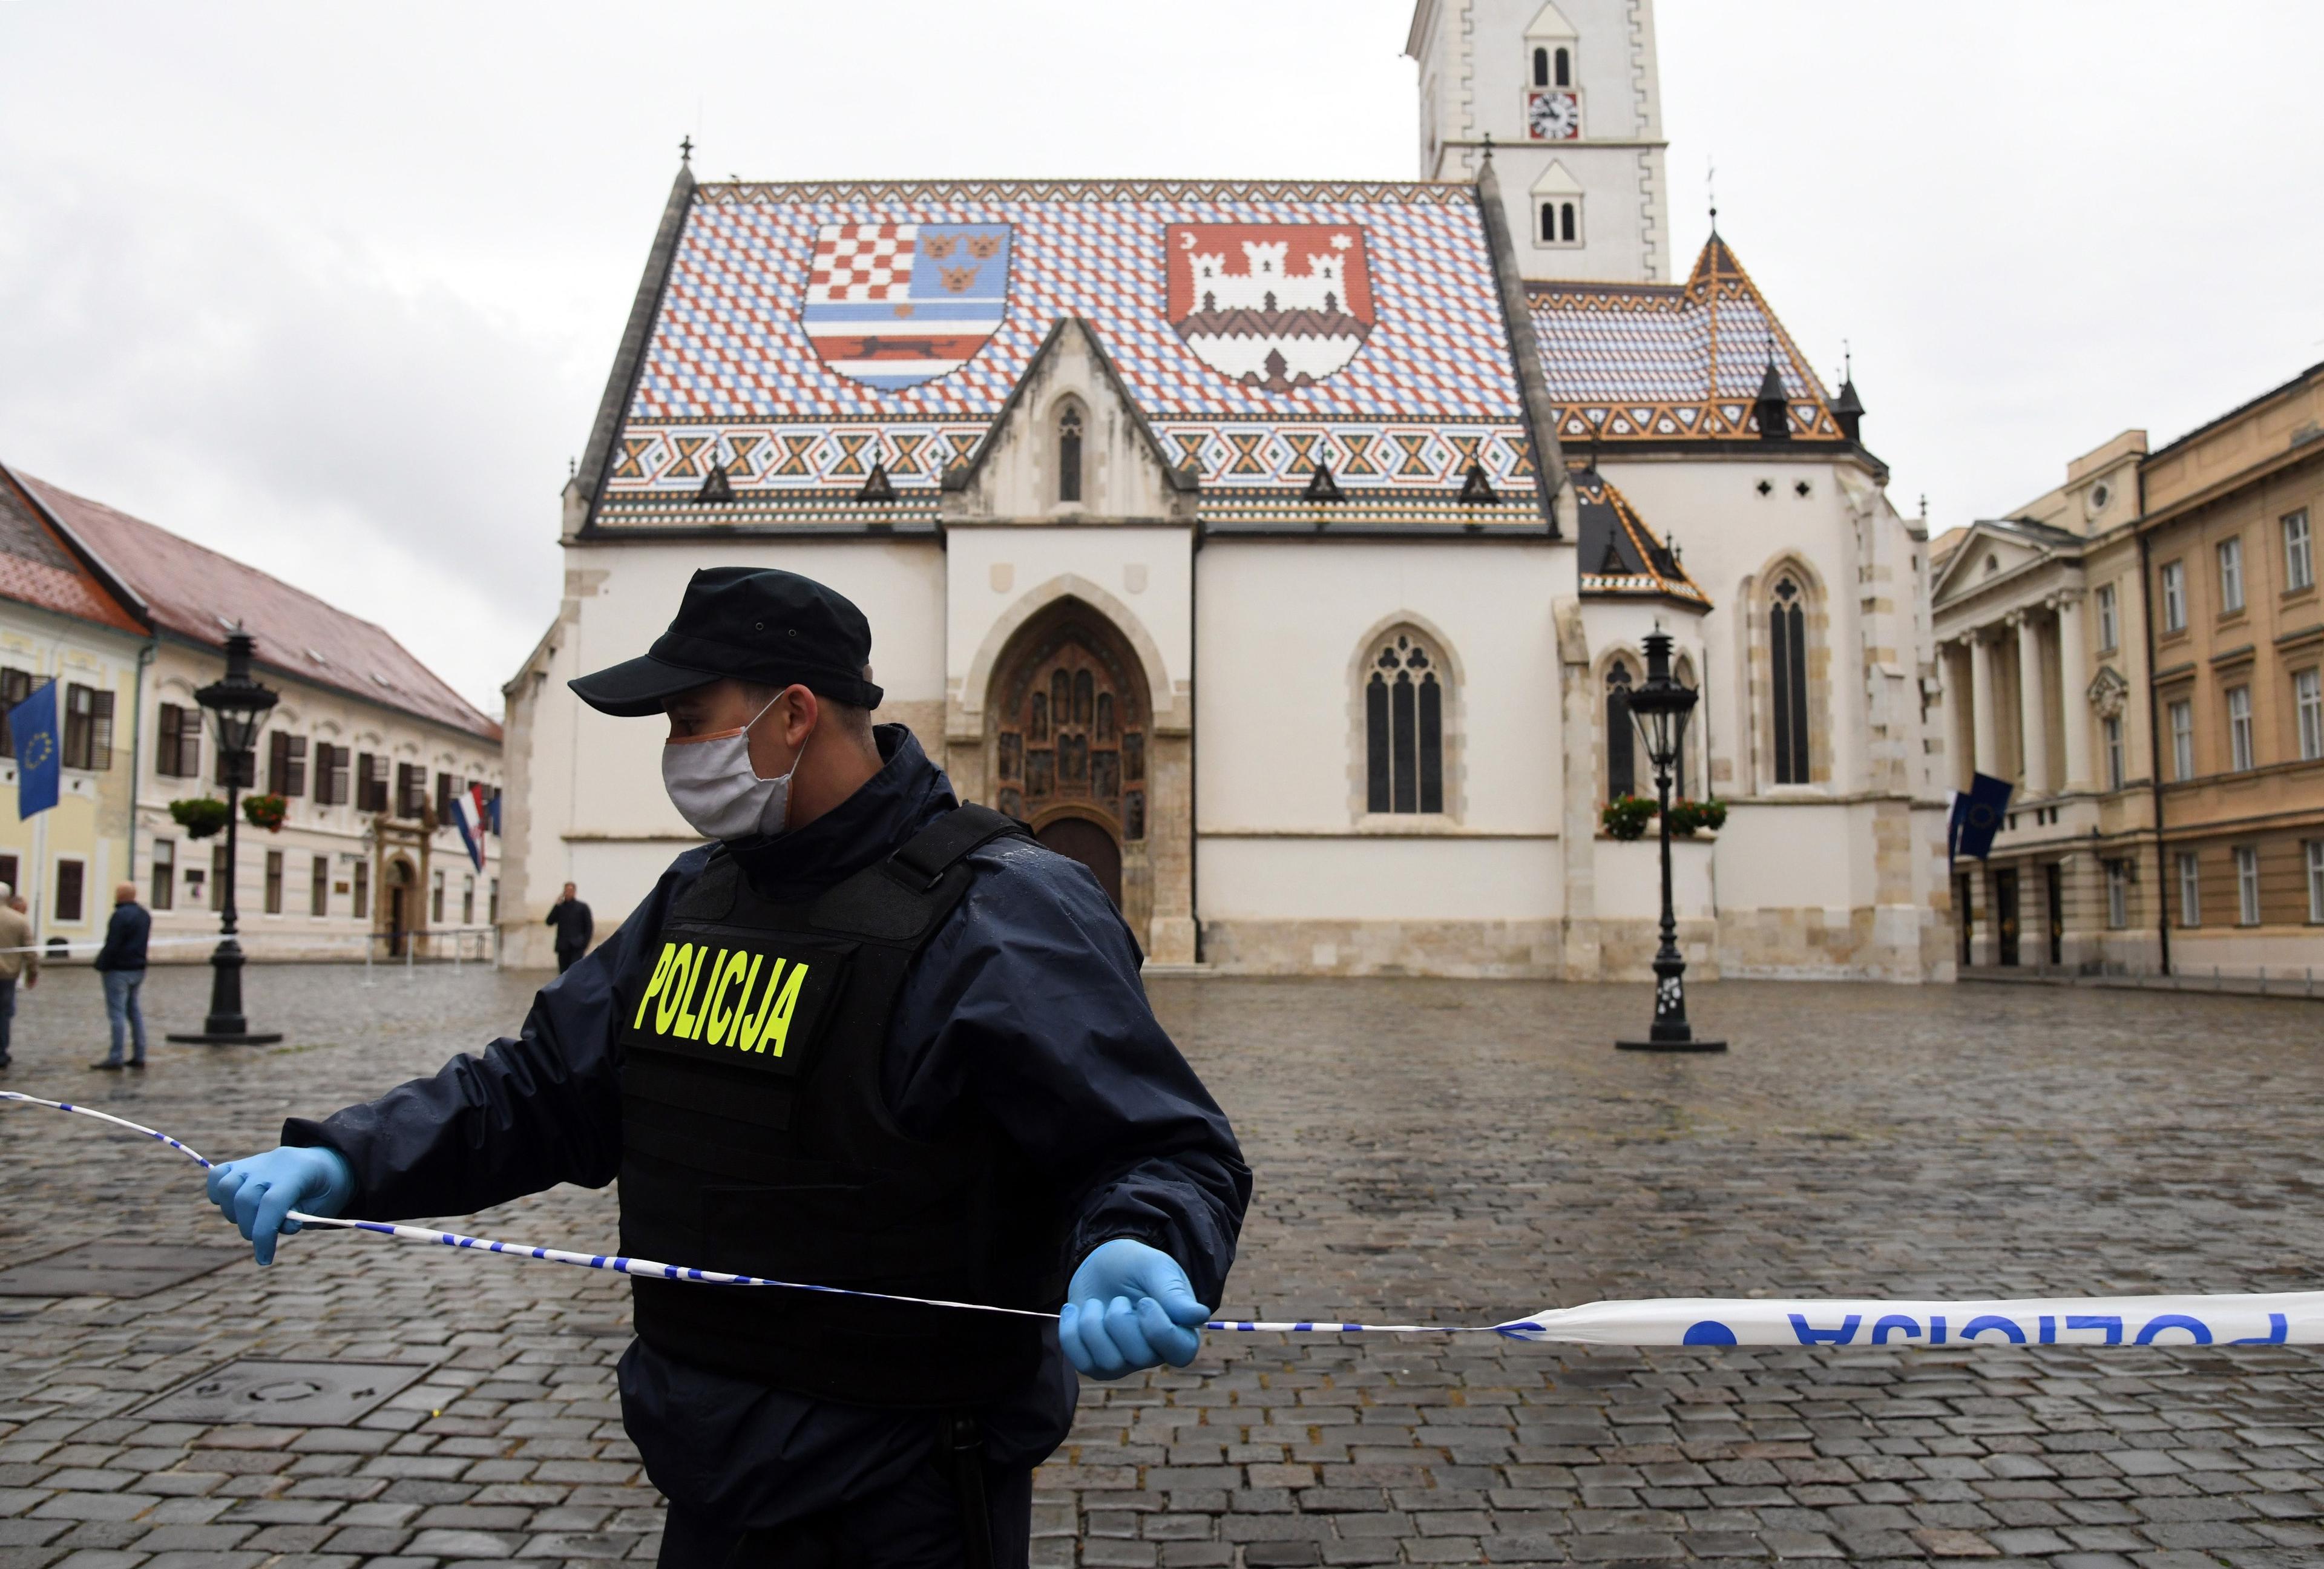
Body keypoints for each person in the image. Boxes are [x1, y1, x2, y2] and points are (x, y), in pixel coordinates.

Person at [205, 567, 1250, 1568]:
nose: (674, 751)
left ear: (794, 715)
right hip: (711, 1475)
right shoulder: (694, 897)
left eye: (689, 719)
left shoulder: (1002, 908)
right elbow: (539, 1088)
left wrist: (1137, 1236)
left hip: (913, 1490)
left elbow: (1158, 1143)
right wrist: (348, 1159)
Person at [90, 881, 151, 1071]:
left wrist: (101, 964)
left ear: (121, 896)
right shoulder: (144, 915)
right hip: (138, 968)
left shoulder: (120, 916)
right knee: (134, 1011)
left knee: (117, 1014)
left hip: (119, 970)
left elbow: (113, 944)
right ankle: (139, 1054)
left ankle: (116, 1056)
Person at [0, 885, 35, 1070]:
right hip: (7, 974)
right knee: (4, 1014)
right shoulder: (19, 921)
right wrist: (32, 973)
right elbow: (30, 951)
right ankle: (1, 1052)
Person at [545, 881, 592, 973]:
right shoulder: (560, 907)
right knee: (563, 973)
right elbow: (549, 922)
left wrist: (584, 944)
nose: (568, 893)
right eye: (566, 891)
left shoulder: (582, 907)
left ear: (575, 892)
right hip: (563, 947)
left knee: (575, 972)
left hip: (577, 946)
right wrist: (557, 905)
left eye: (571, 890)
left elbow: (589, 927)